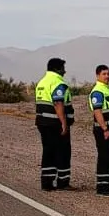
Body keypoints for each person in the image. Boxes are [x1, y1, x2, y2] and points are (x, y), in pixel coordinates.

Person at [34, 57, 74, 191]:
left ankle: (47, 182)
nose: (65, 71)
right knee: (63, 151)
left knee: (48, 151)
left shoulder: (42, 82)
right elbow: (58, 103)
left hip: (42, 122)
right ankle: (63, 182)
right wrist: (63, 122)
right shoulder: (57, 82)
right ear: (57, 69)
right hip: (55, 123)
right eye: (63, 68)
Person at [88, 64, 109, 197]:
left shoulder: (107, 90)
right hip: (104, 131)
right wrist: (105, 129)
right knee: (104, 158)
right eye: (104, 74)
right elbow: (97, 112)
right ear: (97, 76)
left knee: (108, 158)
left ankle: (106, 185)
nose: (107, 76)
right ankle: (102, 188)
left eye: (108, 73)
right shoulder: (98, 91)